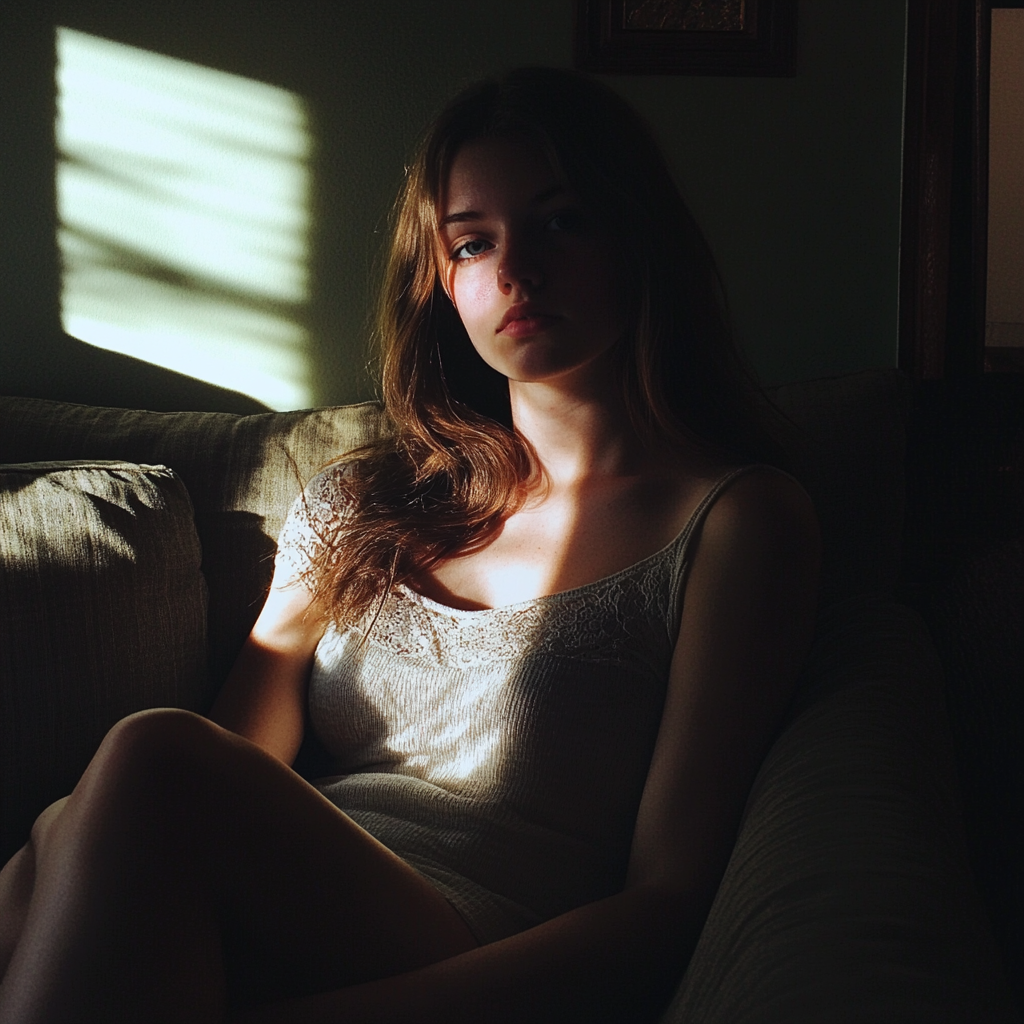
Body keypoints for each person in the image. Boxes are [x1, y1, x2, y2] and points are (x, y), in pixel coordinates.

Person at [0, 67, 820, 1023]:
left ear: (638, 235)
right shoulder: (365, 499)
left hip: (475, 947)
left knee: (148, 757)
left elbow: (666, 904)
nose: (517, 270)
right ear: (442, 281)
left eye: (563, 220)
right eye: (474, 242)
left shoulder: (734, 520)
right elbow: (238, 760)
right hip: (266, 917)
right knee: (75, 823)